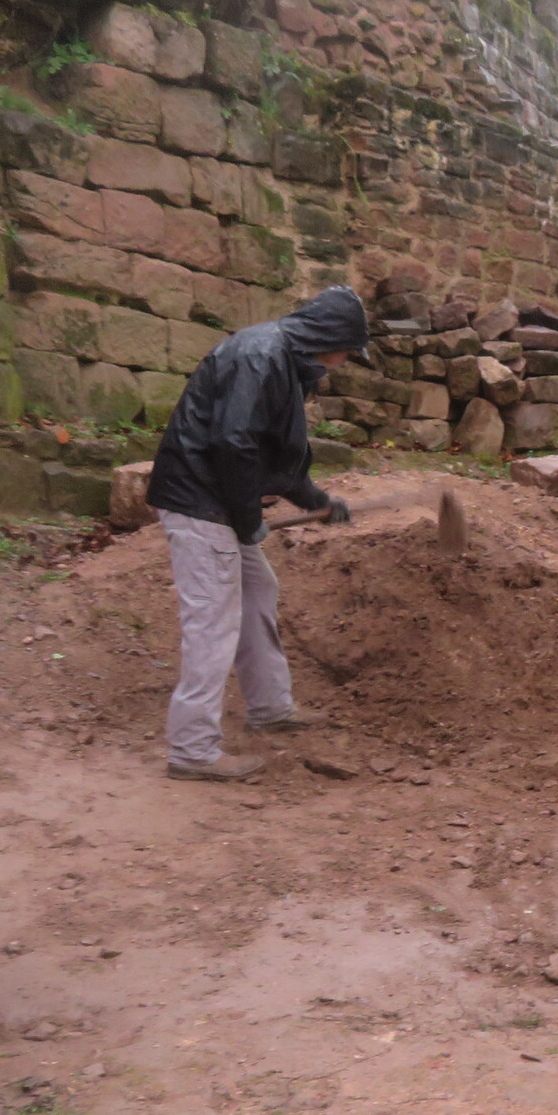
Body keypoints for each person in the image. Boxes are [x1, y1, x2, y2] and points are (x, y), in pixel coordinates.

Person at [144, 286, 368, 782]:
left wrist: (316, 500)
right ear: (329, 339)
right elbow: (233, 442)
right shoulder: (260, 355)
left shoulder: (284, 362)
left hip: (220, 500)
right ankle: (192, 750)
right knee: (212, 620)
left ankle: (270, 706)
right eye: (348, 351)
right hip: (201, 503)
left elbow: (272, 454)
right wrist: (247, 519)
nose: (345, 361)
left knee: (258, 588)